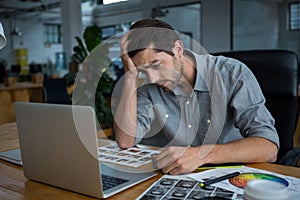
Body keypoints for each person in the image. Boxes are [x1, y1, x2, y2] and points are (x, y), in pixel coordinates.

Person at [113, 18, 279, 175]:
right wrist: (130, 77)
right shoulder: (148, 84)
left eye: (156, 64)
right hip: (182, 177)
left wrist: (200, 155)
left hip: (234, 175)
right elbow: (126, 141)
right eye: (143, 70)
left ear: (177, 49)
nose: (152, 78)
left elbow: (268, 148)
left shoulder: (232, 73)